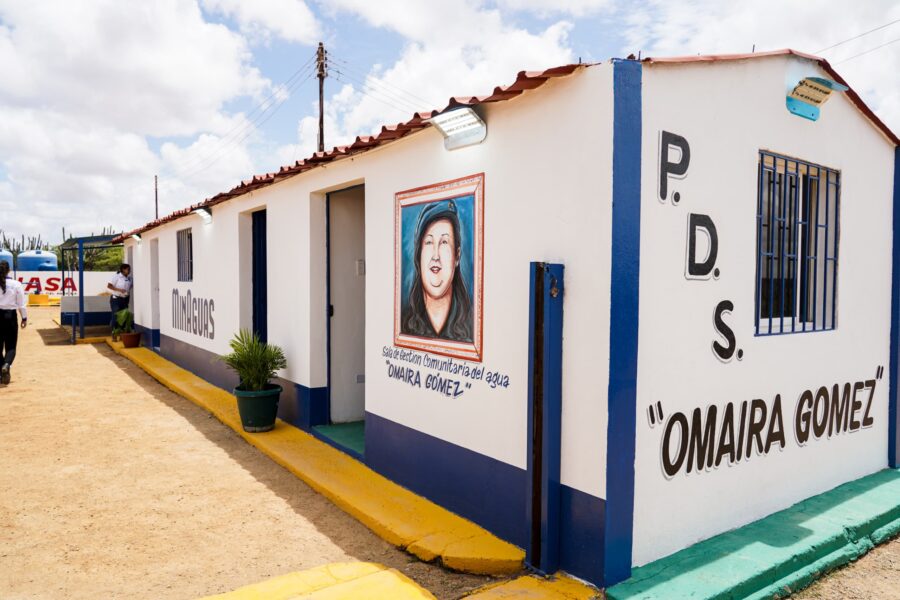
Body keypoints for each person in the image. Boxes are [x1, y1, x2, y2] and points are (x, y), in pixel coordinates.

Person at [401, 199, 473, 342]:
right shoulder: (404, 322)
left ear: (457, 256)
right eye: (428, 242)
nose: (435, 256)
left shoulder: (472, 322)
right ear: (418, 255)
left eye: (444, 242)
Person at [0, 260, 27, 385]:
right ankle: (6, 365)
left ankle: (2, 371)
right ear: (9, 270)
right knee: (11, 346)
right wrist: (24, 318)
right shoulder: (16, 284)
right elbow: (21, 304)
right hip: (10, 317)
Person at [107, 263, 132, 330]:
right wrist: (119, 290)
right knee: (116, 314)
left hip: (125, 299)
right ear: (123, 269)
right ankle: (114, 331)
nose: (129, 270)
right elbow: (109, 286)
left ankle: (121, 331)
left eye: (129, 269)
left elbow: (130, 286)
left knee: (123, 315)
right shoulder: (117, 276)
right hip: (116, 299)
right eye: (128, 269)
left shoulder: (129, 278)